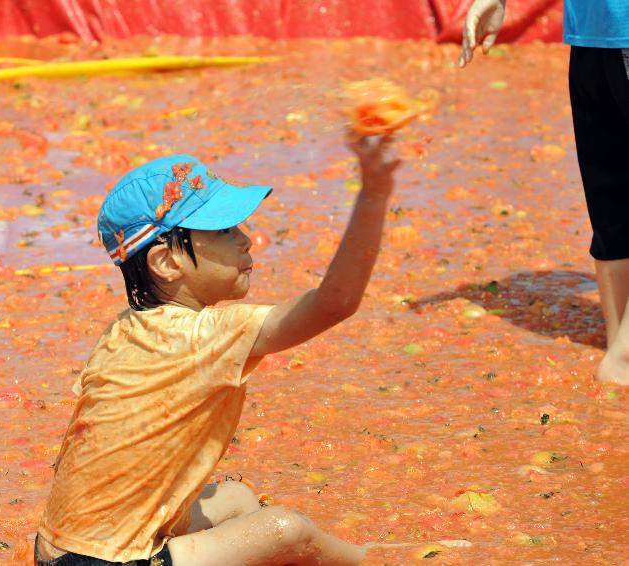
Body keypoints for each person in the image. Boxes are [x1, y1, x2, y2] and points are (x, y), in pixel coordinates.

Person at [35, 134, 400, 566]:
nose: (246, 239)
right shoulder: (204, 334)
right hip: (106, 562)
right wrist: (375, 193)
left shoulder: (127, 328)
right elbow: (335, 303)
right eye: (224, 229)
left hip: (56, 548)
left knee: (237, 499)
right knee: (285, 530)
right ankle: (375, 560)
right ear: (166, 263)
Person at [459, 0, 629, 385]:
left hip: (592, 38)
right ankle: (623, 359)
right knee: (612, 205)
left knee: (612, 205)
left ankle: (618, 351)